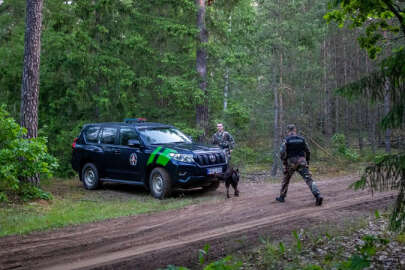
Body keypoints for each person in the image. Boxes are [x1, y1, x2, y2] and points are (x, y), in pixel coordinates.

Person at [276, 124, 323, 206]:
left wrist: (284, 161)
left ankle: (282, 197)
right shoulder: (302, 139)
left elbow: (282, 152)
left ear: (288, 131)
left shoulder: (286, 140)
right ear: (295, 130)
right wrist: (307, 162)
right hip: (302, 161)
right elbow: (308, 151)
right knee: (309, 179)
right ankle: (318, 195)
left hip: (291, 162)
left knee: (286, 179)